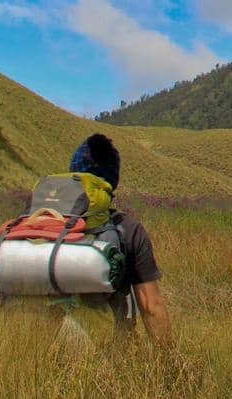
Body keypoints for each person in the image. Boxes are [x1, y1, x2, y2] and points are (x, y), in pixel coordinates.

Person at [68, 133, 171, 343]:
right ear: (113, 180)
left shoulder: (40, 220)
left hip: (34, 347)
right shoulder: (127, 229)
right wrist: (169, 365)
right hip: (104, 353)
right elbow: (151, 307)